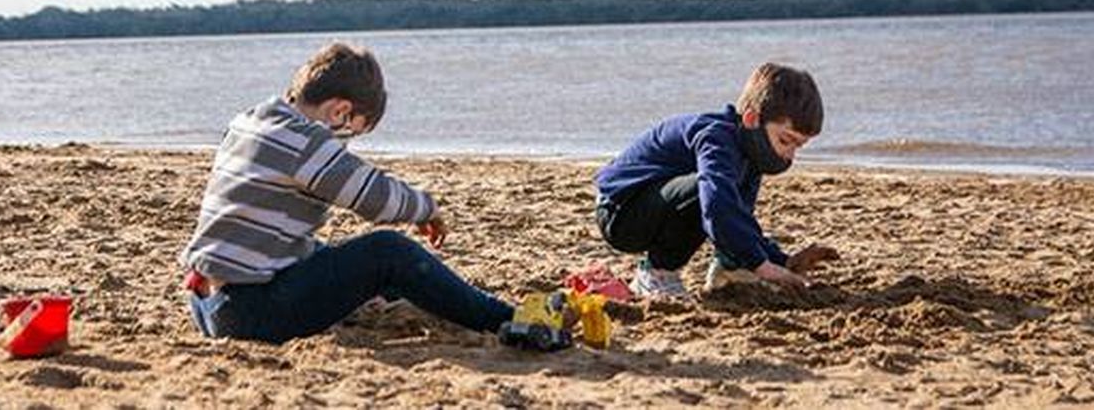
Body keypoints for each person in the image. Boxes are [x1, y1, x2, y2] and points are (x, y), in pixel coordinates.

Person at [180, 42, 543, 344]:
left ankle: (406, 297)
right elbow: (374, 196)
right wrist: (426, 208)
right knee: (388, 250)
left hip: (206, 302)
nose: (345, 143)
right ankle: (504, 318)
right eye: (352, 132)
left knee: (324, 253)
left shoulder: (251, 121)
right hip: (250, 313)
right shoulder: (306, 142)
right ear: (340, 110)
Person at [593, 62, 839, 299]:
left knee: (727, 200)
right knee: (710, 191)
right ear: (752, 119)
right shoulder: (716, 137)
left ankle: (729, 265)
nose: (789, 154)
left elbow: (739, 214)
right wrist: (763, 267)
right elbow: (717, 205)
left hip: (657, 203)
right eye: (785, 141)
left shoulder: (750, 150)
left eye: (798, 146)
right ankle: (656, 273)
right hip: (620, 211)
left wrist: (780, 260)